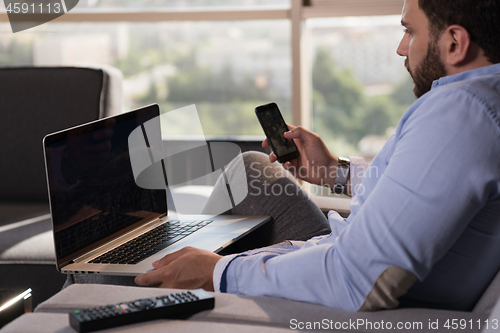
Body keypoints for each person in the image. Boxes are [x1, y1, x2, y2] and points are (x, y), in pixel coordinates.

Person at [134, 0, 500, 312]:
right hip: (334, 253)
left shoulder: (461, 112)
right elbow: (422, 190)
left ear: (454, 43)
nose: (402, 48)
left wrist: (217, 272)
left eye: (410, 32)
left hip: (335, 295)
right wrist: (336, 173)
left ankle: (109, 284)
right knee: (254, 169)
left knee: (157, 271)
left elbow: (355, 280)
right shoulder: (477, 103)